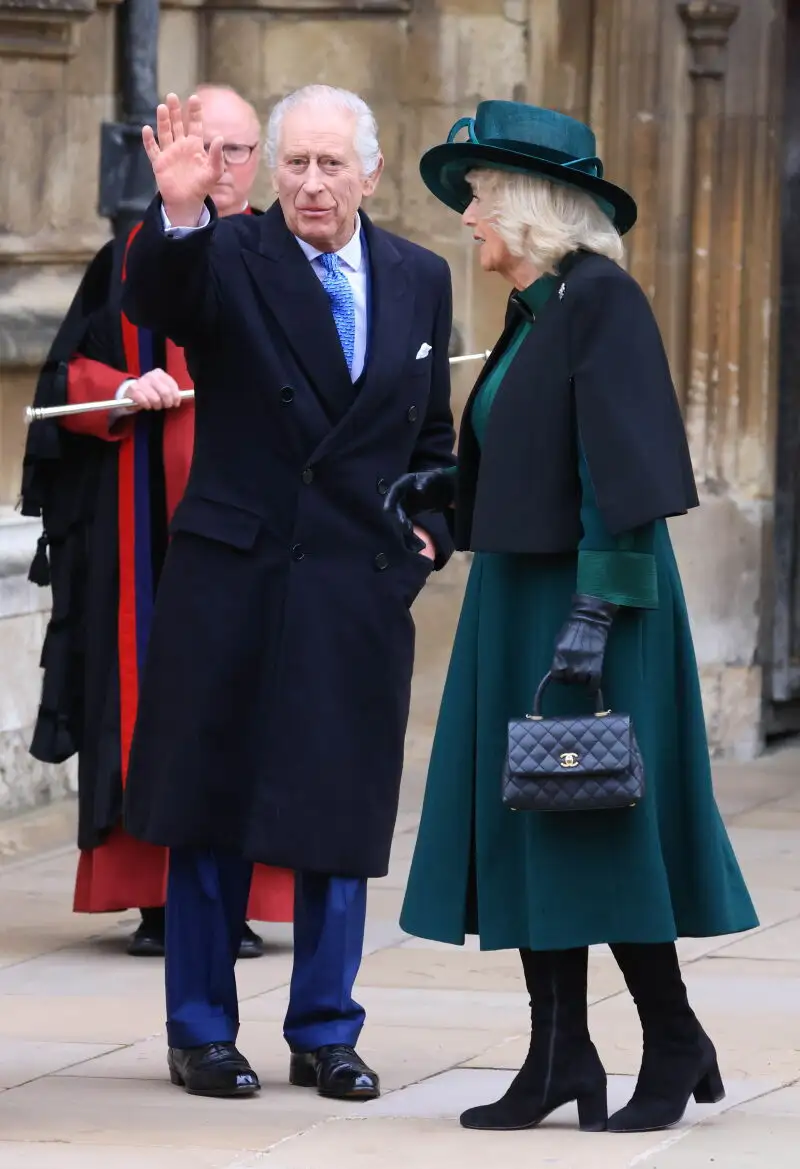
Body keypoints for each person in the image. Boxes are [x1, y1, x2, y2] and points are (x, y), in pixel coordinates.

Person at [386, 101, 759, 1136]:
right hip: (519, 593)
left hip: (598, 594)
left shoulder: (601, 301)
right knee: (531, 820)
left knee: (603, 823)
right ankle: (559, 1053)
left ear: (531, 209)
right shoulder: (538, 309)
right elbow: (527, 449)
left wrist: (594, 609)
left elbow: (622, 471)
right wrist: (440, 493)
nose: (468, 220)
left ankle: (671, 1034)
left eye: (479, 201)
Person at [117, 84, 455, 1100]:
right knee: (211, 806)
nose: (311, 183)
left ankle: (325, 1028)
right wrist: (176, 214)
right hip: (236, 576)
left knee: (336, 812)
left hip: (353, 586)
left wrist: (428, 534)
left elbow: (429, 434)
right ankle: (201, 1029)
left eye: (330, 165)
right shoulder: (224, 255)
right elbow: (155, 301)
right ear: (271, 173)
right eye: (295, 164)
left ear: (370, 173)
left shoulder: (418, 274)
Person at [20, 85, 294, 960]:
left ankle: (240, 897)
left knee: (256, 707)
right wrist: (119, 391)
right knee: (151, 707)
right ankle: (158, 900)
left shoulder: (291, 257)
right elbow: (60, 384)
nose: (220, 166)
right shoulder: (130, 255)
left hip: (257, 536)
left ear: (259, 163)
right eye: (203, 145)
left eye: (239, 150)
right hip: (147, 541)